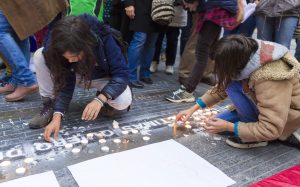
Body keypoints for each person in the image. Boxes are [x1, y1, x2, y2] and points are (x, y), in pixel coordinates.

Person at [176, 35, 300, 149]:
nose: (216, 69)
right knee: (213, 124)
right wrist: (192, 109)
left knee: (232, 91)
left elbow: (270, 128)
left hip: (285, 118)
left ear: (231, 64)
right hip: (262, 107)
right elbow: (220, 88)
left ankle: (268, 136)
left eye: (219, 65)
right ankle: (249, 124)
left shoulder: (270, 78)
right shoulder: (244, 57)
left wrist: (229, 127)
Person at [29, 14, 132, 142]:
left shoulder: (103, 38)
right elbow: (65, 83)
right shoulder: (58, 47)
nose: (70, 60)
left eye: (75, 56)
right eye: (67, 57)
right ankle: (50, 104)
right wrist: (57, 115)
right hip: (78, 76)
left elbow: (122, 74)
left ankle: (105, 97)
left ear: (86, 45)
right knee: (40, 55)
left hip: (101, 77)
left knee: (123, 101)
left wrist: (101, 99)